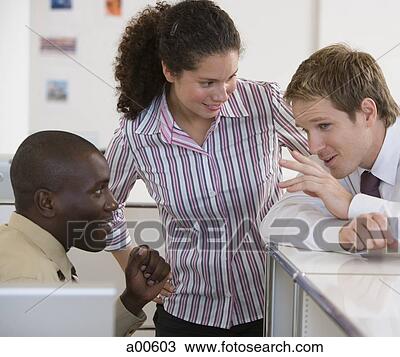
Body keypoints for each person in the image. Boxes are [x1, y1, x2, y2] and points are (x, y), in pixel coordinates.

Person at [105, 0, 309, 336]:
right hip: (187, 314)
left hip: (270, 307)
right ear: (170, 71)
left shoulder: (264, 104)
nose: (223, 93)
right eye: (207, 83)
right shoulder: (137, 135)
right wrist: (135, 266)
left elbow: (331, 153)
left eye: (231, 77)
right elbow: (104, 208)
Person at [260, 43, 400, 263]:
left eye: (323, 126)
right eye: (306, 129)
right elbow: (275, 224)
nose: (313, 147)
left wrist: (352, 205)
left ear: (367, 113)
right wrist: (342, 236)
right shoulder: (333, 157)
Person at [0, 131, 171, 336]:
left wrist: (132, 301)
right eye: (98, 191)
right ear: (47, 202)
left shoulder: (25, 250)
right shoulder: (27, 281)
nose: (113, 203)